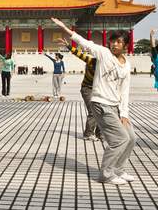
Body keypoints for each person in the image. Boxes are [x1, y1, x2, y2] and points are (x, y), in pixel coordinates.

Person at [51, 17, 135, 186]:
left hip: (116, 106)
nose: (115, 45)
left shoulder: (126, 65)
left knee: (131, 138)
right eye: (113, 41)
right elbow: (85, 43)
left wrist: (124, 113)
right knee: (119, 139)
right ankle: (106, 174)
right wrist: (66, 29)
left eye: (119, 42)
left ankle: (118, 169)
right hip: (100, 103)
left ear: (125, 45)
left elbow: (125, 90)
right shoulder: (103, 54)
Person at [59, 38, 101, 141]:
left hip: (98, 89)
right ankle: (88, 134)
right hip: (87, 88)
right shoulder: (91, 61)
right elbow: (78, 54)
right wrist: (68, 46)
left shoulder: (107, 65)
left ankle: (100, 134)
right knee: (93, 111)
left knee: (101, 111)